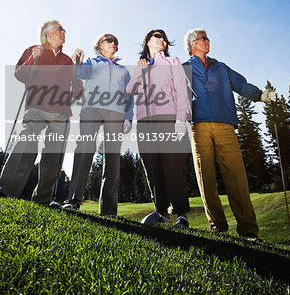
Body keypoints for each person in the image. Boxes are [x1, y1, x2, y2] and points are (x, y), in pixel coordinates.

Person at [183, 28, 276, 239]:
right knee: (205, 176)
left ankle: (248, 230)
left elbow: (241, 85)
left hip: (226, 125)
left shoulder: (221, 67)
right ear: (192, 44)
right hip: (199, 125)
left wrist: (261, 95)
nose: (208, 41)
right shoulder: (183, 68)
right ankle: (217, 225)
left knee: (236, 175)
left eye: (207, 38)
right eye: (203, 39)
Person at [0, 20, 82, 206]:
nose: (64, 33)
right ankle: (7, 190)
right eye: (60, 29)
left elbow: (76, 91)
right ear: (48, 33)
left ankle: (43, 199)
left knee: (53, 155)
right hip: (36, 106)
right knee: (26, 142)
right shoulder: (33, 50)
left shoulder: (67, 61)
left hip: (61, 112)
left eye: (64, 30)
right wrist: (31, 59)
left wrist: (77, 77)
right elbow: (20, 74)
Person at [63, 34, 133, 215]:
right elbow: (78, 73)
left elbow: (129, 96)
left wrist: (128, 117)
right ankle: (74, 199)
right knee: (85, 146)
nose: (113, 43)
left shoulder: (123, 70)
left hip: (116, 112)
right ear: (99, 45)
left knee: (113, 156)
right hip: (92, 108)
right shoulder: (91, 62)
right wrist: (76, 62)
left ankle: (109, 209)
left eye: (115, 42)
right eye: (108, 40)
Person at [126, 29, 190, 228]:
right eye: (157, 37)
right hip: (145, 120)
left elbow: (181, 91)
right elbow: (130, 90)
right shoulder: (141, 66)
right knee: (151, 165)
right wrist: (140, 71)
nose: (162, 40)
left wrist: (181, 118)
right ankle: (161, 213)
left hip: (169, 117)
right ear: (148, 42)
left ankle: (182, 216)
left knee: (174, 166)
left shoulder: (173, 62)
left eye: (163, 38)